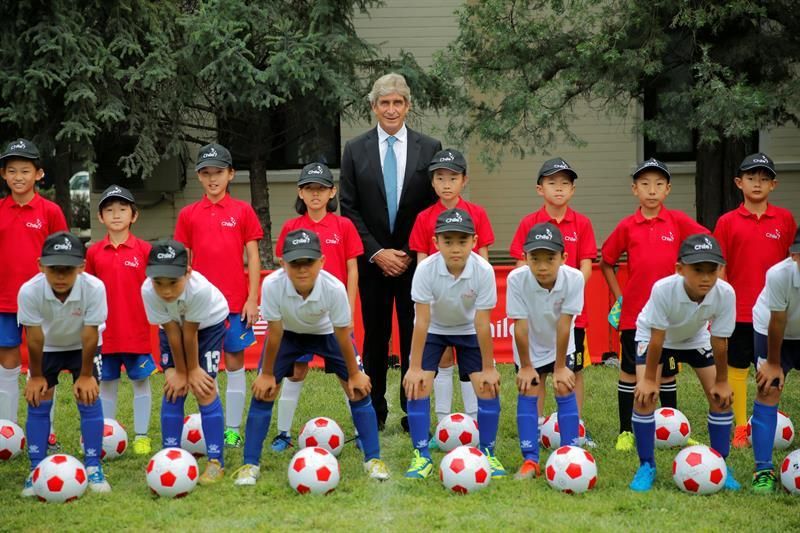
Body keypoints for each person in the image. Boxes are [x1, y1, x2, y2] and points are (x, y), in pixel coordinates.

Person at [233, 230, 389, 485]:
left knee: (359, 390)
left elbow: (342, 335)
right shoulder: (273, 285)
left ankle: (373, 459)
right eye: (295, 263)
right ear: (283, 263)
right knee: (263, 391)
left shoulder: (334, 288)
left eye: (309, 262)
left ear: (322, 262)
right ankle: (250, 464)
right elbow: (274, 333)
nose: (302, 269)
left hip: (326, 333)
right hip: (288, 336)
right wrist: (268, 374)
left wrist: (354, 373)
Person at [339, 72, 442, 431]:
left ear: (408, 106)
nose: (392, 109)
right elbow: (348, 208)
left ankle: (412, 410)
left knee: (416, 332)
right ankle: (374, 411)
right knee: (376, 338)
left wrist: (410, 253)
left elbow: (432, 209)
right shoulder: (354, 149)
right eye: (385, 102)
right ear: (373, 107)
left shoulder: (430, 148)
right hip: (373, 264)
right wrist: (377, 252)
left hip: (416, 262)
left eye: (398, 102)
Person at [600, 158, 708, 452]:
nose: (652, 190)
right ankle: (626, 431)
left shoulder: (677, 222)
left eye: (659, 184)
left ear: (668, 189)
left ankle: (674, 430)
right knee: (630, 373)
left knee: (669, 372)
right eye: (645, 184)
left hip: (672, 316)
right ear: (635, 189)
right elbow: (607, 261)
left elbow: (706, 241)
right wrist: (620, 296)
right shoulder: (627, 226)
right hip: (635, 316)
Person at [629, 234, 739, 492]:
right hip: (654, 335)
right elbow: (657, 338)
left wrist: (722, 381)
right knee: (644, 398)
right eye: (697, 270)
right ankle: (646, 465)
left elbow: (720, 340)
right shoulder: (663, 289)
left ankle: (721, 464)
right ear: (680, 269)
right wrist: (647, 380)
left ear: (720, 269)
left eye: (712, 270)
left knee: (720, 398)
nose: (705, 277)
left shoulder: (725, 293)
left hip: (694, 337)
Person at [174, 142, 263, 448]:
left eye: (218, 173)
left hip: (235, 304)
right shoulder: (188, 214)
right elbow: (182, 262)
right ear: (199, 177)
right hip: (198, 307)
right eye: (206, 173)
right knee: (199, 367)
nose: (212, 179)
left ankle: (233, 429)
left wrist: (252, 298)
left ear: (231, 175)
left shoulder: (243, 211)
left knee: (235, 363)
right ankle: (202, 425)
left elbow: (253, 256)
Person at [403, 208, 503, 479]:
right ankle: (421, 455)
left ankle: (488, 453)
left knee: (487, 386)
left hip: (469, 329)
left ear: (474, 241)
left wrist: (488, 367)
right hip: (434, 328)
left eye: (462, 241)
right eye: (448, 241)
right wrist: (413, 367)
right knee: (417, 385)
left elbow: (483, 323)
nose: (455, 248)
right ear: (436, 243)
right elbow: (421, 321)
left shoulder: (483, 271)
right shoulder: (425, 270)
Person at [270, 162, 363, 451]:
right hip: (298, 317)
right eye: (309, 189)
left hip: (332, 317)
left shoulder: (343, 225)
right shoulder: (291, 227)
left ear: (332, 191)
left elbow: (352, 269)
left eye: (321, 189)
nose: (315, 194)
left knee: (347, 374)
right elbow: (282, 264)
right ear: (300, 192)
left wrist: (347, 308)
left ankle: (361, 433)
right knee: (295, 373)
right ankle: (283, 433)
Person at [508, 157, 596, 442]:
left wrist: (567, 290)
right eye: (552, 183)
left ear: (572, 190)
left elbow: (585, 266)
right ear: (539, 188)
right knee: (538, 373)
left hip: (570, 313)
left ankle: (575, 428)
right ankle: (537, 426)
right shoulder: (528, 223)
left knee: (572, 370)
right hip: (535, 314)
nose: (559, 189)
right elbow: (520, 266)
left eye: (565, 184)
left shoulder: (582, 223)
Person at [713, 152, 797, 448]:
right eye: (751, 178)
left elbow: (793, 263)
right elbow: (719, 267)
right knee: (737, 368)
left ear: (773, 184)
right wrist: (723, 303)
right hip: (739, 312)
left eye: (764, 179)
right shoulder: (727, 222)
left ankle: (766, 418)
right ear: (739, 183)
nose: (757, 184)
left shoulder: (785, 219)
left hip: (777, 315)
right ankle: (739, 427)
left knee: (772, 370)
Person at [18, 231, 110, 496]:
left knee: (89, 396)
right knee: (39, 398)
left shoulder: (94, 288)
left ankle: (93, 465)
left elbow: (90, 332)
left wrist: (85, 375)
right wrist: (36, 376)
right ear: (40, 265)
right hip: (46, 346)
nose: (60, 276)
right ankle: (36, 469)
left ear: (81, 267)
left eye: (67, 270)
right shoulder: (30, 291)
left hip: (83, 343)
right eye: (54, 269)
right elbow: (34, 338)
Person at [408, 149, 494, 425]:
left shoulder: (477, 213)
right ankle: (444, 421)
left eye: (453, 178)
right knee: (443, 359)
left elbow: (483, 259)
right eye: (440, 178)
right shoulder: (424, 218)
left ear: (464, 180)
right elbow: (423, 261)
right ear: (432, 182)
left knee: (473, 370)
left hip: (468, 309)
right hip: (436, 309)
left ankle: (472, 423)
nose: (446, 184)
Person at [140, 240, 228, 484]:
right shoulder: (148, 290)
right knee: (173, 388)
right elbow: (172, 331)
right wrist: (178, 372)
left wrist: (192, 369)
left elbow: (190, 333)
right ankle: (170, 454)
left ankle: (216, 461)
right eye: (159, 283)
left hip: (209, 324)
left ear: (188, 273)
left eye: (173, 283)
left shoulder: (200, 290)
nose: (166, 291)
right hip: (172, 328)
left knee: (204, 387)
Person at [0, 139, 67, 450]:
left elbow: (62, 257)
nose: (18, 177)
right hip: (4, 302)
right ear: (3, 175)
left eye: (25, 170)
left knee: (42, 367)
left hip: (42, 303)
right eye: (11, 171)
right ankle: (8, 434)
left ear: (38, 174)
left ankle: (46, 432)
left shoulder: (50, 211)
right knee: (8, 364)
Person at [507, 222, 585, 480]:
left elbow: (565, 325)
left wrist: (561, 367)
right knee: (529, 388)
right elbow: (520, 326)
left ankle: (571, 452)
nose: (542, 266)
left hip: (561, 344)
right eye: (535, 258)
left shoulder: (574, 278)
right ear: (524, 258)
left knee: (564, 386)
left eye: (549, 258)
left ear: (563, 257)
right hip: (528, 345)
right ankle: (530, 460)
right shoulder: (516, 279)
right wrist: (527, 366)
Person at [86, 185, 156, 455]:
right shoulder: (93, 253)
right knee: (106, 384)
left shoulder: (145, 250)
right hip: (104, 333)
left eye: (122, 209)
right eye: (109, 210)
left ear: (134, 216)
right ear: (101, 217)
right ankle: (107, 435)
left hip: (136, 331)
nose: (116, 215)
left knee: (141, 383)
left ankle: (141, 436)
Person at [748, 229, 800, 493]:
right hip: (771, 329)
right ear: (795, 255)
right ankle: (763, 469)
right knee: (769, 388)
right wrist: (773, 362)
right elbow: (777, 320)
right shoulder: (779, 275)